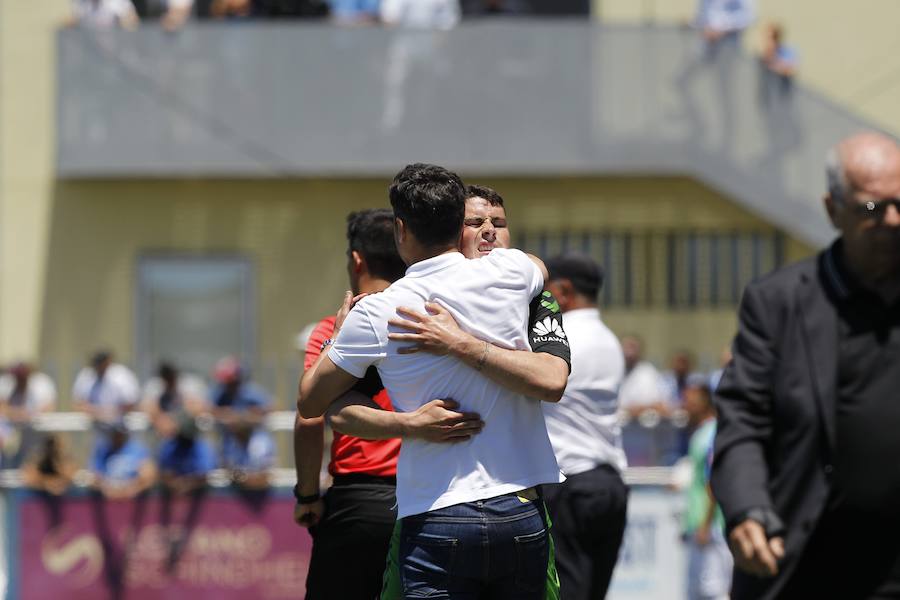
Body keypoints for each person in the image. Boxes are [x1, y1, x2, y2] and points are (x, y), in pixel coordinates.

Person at [300, 164, 569, 598]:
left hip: (436, 512)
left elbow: (311, 402)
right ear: (458, 226)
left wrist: (339, 338)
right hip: (519, 508)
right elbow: (538, 265)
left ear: (401, 229)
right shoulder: (512, 272)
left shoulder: (379, 311)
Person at [711, 132, 900, 599]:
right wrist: (748, 508)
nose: (894, 221)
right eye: (874, 210)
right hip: (801, 565)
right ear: (834, 209)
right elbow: (743, 423)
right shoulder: (779, 303)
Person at [294, 208, 409, 600]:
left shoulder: (335, 328)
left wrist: (308, 495)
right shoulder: (431, 319)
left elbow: (309, 418)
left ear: (357, 260)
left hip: (359, 502)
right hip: (429, 494)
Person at [536, 253, 629, 600]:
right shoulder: (610, 340)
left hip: (571, 483)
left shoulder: (559, 338)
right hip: (609, 483)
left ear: (562, 291)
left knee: (564, 591)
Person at [682, 379, 731, 600]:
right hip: (699, 525)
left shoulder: (712, 434)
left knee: (714, 591)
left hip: (711, 528)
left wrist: (705, 523)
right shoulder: (700, 434)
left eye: (691, 401)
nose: (686, 406)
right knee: (695, 591)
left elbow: (715, 479)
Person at [210, 357, 274, 488]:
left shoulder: (250, 392)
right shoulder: (220, 393)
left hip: (250, 441)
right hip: (229, 442)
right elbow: (205, 407)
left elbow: (271, 406)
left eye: (230, 381)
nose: (228, 385)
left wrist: (244, 417)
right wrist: (223, 414)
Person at [0, 362, 57, 467]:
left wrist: (28, 414)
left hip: (34, 436)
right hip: (13, 435)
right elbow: (2, 407)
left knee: (32, 463)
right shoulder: (7, 383)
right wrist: (17, 414)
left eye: (21, 376)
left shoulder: (41, 384)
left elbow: (48, 407)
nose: (19, 379)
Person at [73, 350, 140, 431]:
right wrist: (101, 413)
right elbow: (78, 405)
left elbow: (130, 404)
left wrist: (112, 413)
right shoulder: (86, 375)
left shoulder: (121, 375)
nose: (100, 366)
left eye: (102, 362)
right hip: (95, 430)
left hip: (120, 430)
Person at [90, 421, 157, 500]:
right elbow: (94, 476)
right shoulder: (103, 450)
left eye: (120, 434)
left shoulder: (138, 449)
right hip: (108, 491)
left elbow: (149, 474)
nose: (118, 437)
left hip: (134, 492)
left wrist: (133, 488)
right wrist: (106, 489)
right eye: (116, 435)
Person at [142, 362, 208, 440]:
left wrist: (175, 423)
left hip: (189, 434)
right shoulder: (155, 386)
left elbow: (199, 408)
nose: (169, 381)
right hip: (163, 433)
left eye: (170, 377)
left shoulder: (189, 384)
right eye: (166, 378)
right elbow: (147, 407)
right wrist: (161, 420)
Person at [618, 335, 667, 416]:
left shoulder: (648, 372)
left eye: (632, 347)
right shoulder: (614, 371)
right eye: (626, 347)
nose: (629, 352)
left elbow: (658, 405)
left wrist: (632, 410)